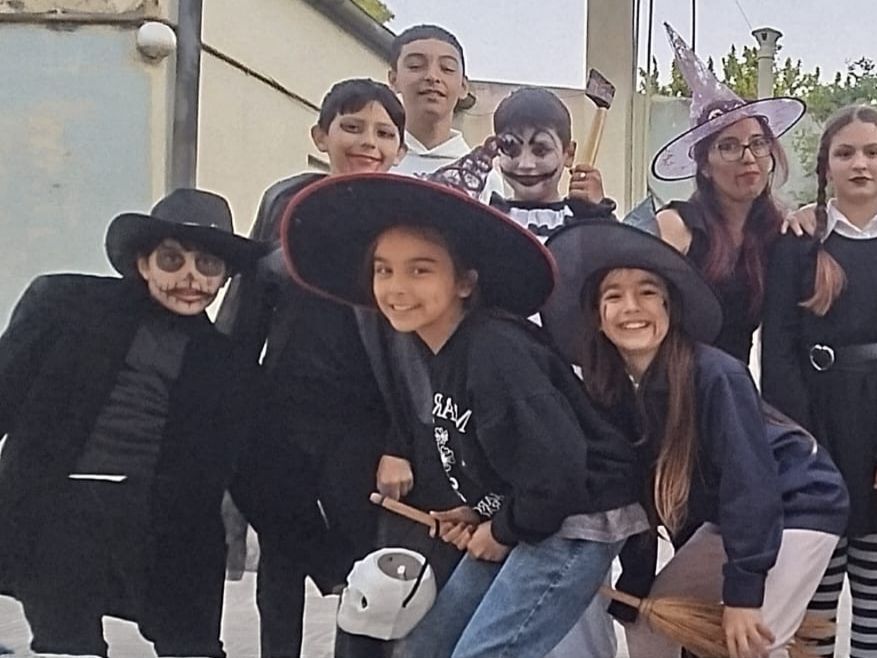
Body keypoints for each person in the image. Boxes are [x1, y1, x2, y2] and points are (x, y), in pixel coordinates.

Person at [280, 173, 647, 658]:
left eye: (421, 270)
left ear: (465, 282)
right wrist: (482, 509)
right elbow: (510, 461)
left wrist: (502, 529)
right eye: (383, 270)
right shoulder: (443, 351)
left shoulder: (495, 351)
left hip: (579, 520)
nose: (396, 288)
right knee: (426, 647)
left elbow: (558, 471)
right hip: (538, 510)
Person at [0, 190, 305, 657]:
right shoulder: (64, 305)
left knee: (192, 645)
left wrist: (330, 557)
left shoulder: (229, 367)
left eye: (207, 265)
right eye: (171, 260)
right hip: (58, 510)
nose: (189, 278)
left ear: (223, 277)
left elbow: (259, 473)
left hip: (165, 525)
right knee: (67, 645)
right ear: (144, 264)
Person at [540, 220, 850, 658]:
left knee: (748, 644)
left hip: (798, 502)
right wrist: (637, 580)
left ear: (670, 307)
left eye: (648, 292)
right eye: (613, 296)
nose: (631, 307)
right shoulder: (608, 392)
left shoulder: (717, 376)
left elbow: (750, 483)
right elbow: (634, 494)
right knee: (651, 624)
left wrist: (744, 595)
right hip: (729, 519)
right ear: (597, 318)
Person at [214, 78, 408, 658]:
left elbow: (420, 347)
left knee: (363, 556)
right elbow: (247, 306)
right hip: (283, 407)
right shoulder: (286, 201)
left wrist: (403, 437)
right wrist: (225, 394)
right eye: (351, 127)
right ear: (320, 135)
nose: (367, 142)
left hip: (365, 419)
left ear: (399, 148)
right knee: (279, 556)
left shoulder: (407, 214)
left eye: (383, 132)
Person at [759, 104, 877, 658]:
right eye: (845, 153)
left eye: (873, 152)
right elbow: (779, 353)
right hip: (818, 425)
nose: (859, 164)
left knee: (874, 576)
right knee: (817, 575)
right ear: (826, 168)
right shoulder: (798, 243)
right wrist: (801, 448)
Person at [645, 23, 804, 364]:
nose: (747, 157)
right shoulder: (675, 227)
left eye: (757, 144)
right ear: (704, 165)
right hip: (672, 393)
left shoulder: (775, 231)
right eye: (728, 146)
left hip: (735, 392)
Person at [387, 24, 505, 201]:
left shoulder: (486, 177)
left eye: (447, 68)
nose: (432, 77)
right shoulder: (376, 160)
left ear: (463, 87)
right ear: (393, 79)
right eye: (416, 66)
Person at [489, 86, 616, 238]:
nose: (525, 164)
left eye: (541, 150)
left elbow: (616, 254)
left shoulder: (585, 223)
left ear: (568, 153)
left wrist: (598, 214)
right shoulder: (487, 220)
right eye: (511, 148)